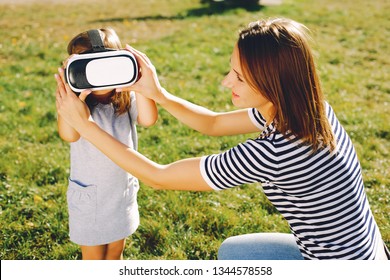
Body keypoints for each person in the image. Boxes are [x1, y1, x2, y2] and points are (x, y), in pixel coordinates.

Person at [55, 18, 389, 260]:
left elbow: (158, 176)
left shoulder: (275, 152)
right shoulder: (309, 109)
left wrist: (86, 127)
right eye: (231, 69)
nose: (226, 82)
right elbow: (213, 123)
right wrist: (159, 94)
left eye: (240, 77)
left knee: (235, 258)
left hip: (337, 267)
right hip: (367, 255)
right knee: (233, 250)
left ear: (273, 83)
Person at [55, 28, 158, 260]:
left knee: (115, 254)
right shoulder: (77, 105)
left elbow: (148, 119)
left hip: (120, 193)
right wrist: (68, 89)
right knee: (94, 261)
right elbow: (69, 135)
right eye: (90, 67)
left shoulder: (125, 96)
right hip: (90, 198)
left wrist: (139, 82)